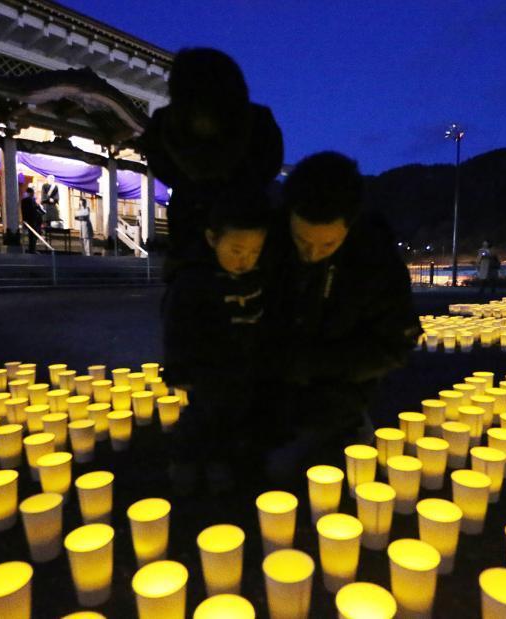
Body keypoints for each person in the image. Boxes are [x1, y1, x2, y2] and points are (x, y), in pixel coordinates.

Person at [259, 152, 417, 481]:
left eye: (328, 244)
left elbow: (393, 346)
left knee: (315, 467)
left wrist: (313, 364)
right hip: (268, 384)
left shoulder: (376, 261)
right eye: (302, 240)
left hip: (339, 388)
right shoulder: (264, 240)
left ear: (351, 223)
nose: (312, 254)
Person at [140, 47, 283, 280]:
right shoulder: (161, 130)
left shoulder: (260, 128)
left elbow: (265, 174)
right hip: (195, 244)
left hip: (243, 240)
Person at [162, 192, 270, 495]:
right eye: (236, 250)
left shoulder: (255, 278)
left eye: (254, 251)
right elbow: (176, 328)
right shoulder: (195, 281)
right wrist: (178, 368)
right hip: (206, 369)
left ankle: (218, 463)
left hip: (241, 369)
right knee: (201, 418)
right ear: (212, 238)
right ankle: (183, 462)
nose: (244, 259)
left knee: (230, 420)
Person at [20, 187, 45, 253]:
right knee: (33, 235)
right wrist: (42, 211)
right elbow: (35, 208)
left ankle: (32, 248)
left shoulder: (25, 200)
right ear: (30, 193)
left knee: (32, 235)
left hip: (29, 219)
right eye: (33, 193)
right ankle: (32, 249)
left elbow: (24, 211)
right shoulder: (30, 200)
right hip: (32, 220)